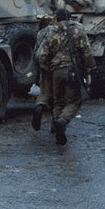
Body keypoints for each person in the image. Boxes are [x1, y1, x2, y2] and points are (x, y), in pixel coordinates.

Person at [39, 8, 95, 145]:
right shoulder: (78, 30)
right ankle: (62, 121)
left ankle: (57, 128)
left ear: (56, 18)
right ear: (69, 18)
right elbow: (86, 51)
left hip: (55, 71)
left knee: (58, 102)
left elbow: (43, 54)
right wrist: (89, 69)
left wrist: (46, 69)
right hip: (72, 70)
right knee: (74, 102)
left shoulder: (51, 31)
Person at [32, 15, 56, 131]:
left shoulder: (41, 33)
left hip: (44, 66)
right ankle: (55, 124)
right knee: (59, 96)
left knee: (45, 93)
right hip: (58, 66)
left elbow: (36, 52)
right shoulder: (60, 32)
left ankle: (39, 106)